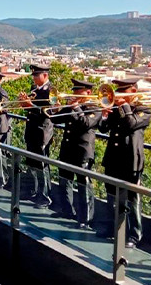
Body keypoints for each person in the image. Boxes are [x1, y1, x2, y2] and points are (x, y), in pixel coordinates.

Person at [97, 78, 151, 249]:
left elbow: (131, 124)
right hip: (114, 157)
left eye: (123, 91)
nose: (118, 94)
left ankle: (134, 235)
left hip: (131, 160)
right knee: (112, 196)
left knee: (133, 200)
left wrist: (124, 107)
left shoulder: (144, 109)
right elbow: (104, 129)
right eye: (118, 90)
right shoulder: (116, 108)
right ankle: (113, 228)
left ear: (133, 91)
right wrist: (105, 115)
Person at [52, 79, 101, 228]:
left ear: (88, 93)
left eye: (78, 92)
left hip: (82, 151)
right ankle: (67, 211)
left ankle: (85, 219)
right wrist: (55, 109)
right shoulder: (72, 106)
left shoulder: (95, 108)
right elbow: (56, 119)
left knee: (83, 185)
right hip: (68, 148)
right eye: (74, 92)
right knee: (64, 181)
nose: (74, 95)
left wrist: (77, 108)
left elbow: (86, 124)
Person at [19, 64, 54, 209]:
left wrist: (30, 104)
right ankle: (31, 191)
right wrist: (24, 103)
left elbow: (49, 112)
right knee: (31, 162)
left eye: (36, 75)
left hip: (42, 131)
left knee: (42, 164)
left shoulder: (51, 91)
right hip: (32, 130)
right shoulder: (34, 90)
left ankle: (44, 197)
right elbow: (30, 108)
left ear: (45, 75)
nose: (33, 78)